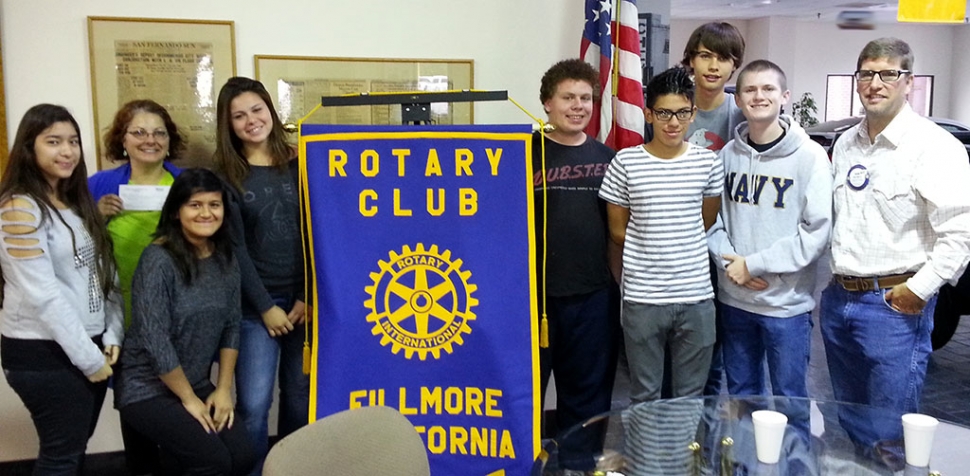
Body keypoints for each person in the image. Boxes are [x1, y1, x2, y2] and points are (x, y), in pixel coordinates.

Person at [821, 37, 970, 451]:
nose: (875, 83)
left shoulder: (935, 147)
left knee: (891, 426)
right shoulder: (847, 143)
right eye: (867, 73)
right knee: (850, 414)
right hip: (840, 299)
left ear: (909, 81)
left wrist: (918, 290)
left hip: (894, 306)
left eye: (888, 73)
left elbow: (960, 233)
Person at [0, 104, 122, 473]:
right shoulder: (20, 207)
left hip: (89, 344)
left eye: (73, 141)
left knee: (71, 450)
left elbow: (104, 272)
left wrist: (111, 331)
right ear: (29, 147)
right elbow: (43, 294)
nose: (67, 151)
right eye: (53, 141)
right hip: (44, 353)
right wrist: (89, 358)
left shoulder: (74, 202)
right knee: (61, 456)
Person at [115, 168, 255, 475]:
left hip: (196, 382)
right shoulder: (158, 259)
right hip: (145, 388)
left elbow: (232, 323)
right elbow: (155, 340)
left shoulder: (225, 257)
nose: (206, 213)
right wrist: (190, 400)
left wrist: (223, 390)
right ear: (177, 212)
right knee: (213, 461)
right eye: (195, 205)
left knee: (243, 456)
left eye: (214, 205)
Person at [707, 60, 832, 400]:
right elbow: (711, 220)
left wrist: (755, 264)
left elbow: (816, 232)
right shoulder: (726, 156)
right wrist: (731, 264)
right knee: (742, 398)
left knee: (790, 400)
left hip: (785, 307)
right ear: (738, 98)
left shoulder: (810, 157)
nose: (758, 96)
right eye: (749, 89)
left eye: (768, 89)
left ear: (784, 97)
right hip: (734, 300)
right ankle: (746, 457)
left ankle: (791, 457)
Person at [599, 67, 723, 402]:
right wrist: (657, 242)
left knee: (690, 395)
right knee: (644, 393)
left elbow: (706, 220)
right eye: (664, 113)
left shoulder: (708, 163)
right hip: (644, 299)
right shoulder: (625, 163)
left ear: (693, 114)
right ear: (649, 114)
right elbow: (617, 231)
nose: (673, 122)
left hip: (695, 296)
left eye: (682, 113)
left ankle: (684, 457)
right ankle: (647, 457)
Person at [212, 76, 309, 474]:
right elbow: (234, 249)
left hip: (304, 304)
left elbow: (317, 230)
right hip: (255, 310)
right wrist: (265, 306)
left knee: (300, 399)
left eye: (257, 109)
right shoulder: (226, 175)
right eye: (239, 115)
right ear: (228, 124)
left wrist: (305, 295)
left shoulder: (302, 161)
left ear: (270, 109)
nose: (251, 120)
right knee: (253, 404)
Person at [533, 59, 619, 474]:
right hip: (532, 302)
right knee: (525, 393)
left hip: (592, 297)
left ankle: (580, 466)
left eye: (586, 98)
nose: (578, 106)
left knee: (586, 396)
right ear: (547, 103)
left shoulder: (610, 159)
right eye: (568, 97)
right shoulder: (519, 154)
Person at [88, 99, 184, 474]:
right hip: (120, 316)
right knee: (135, 402)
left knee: (178, 396)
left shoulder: (184, 183)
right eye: (139, 132)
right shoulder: (99, 185)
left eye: (159, 132)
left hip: (176, 312)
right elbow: (71, 245)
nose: (150, 139)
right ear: (122, 139)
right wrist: (95, 216)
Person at [680, 21, 746, 397]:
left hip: (724, 245)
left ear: (734, 65)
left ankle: (706, 443)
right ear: (691, 58)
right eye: (705, 55)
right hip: (679, 244)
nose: (713, 66)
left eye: (723, 58)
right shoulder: (671, 109)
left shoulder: (742, 115)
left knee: (715, 355)